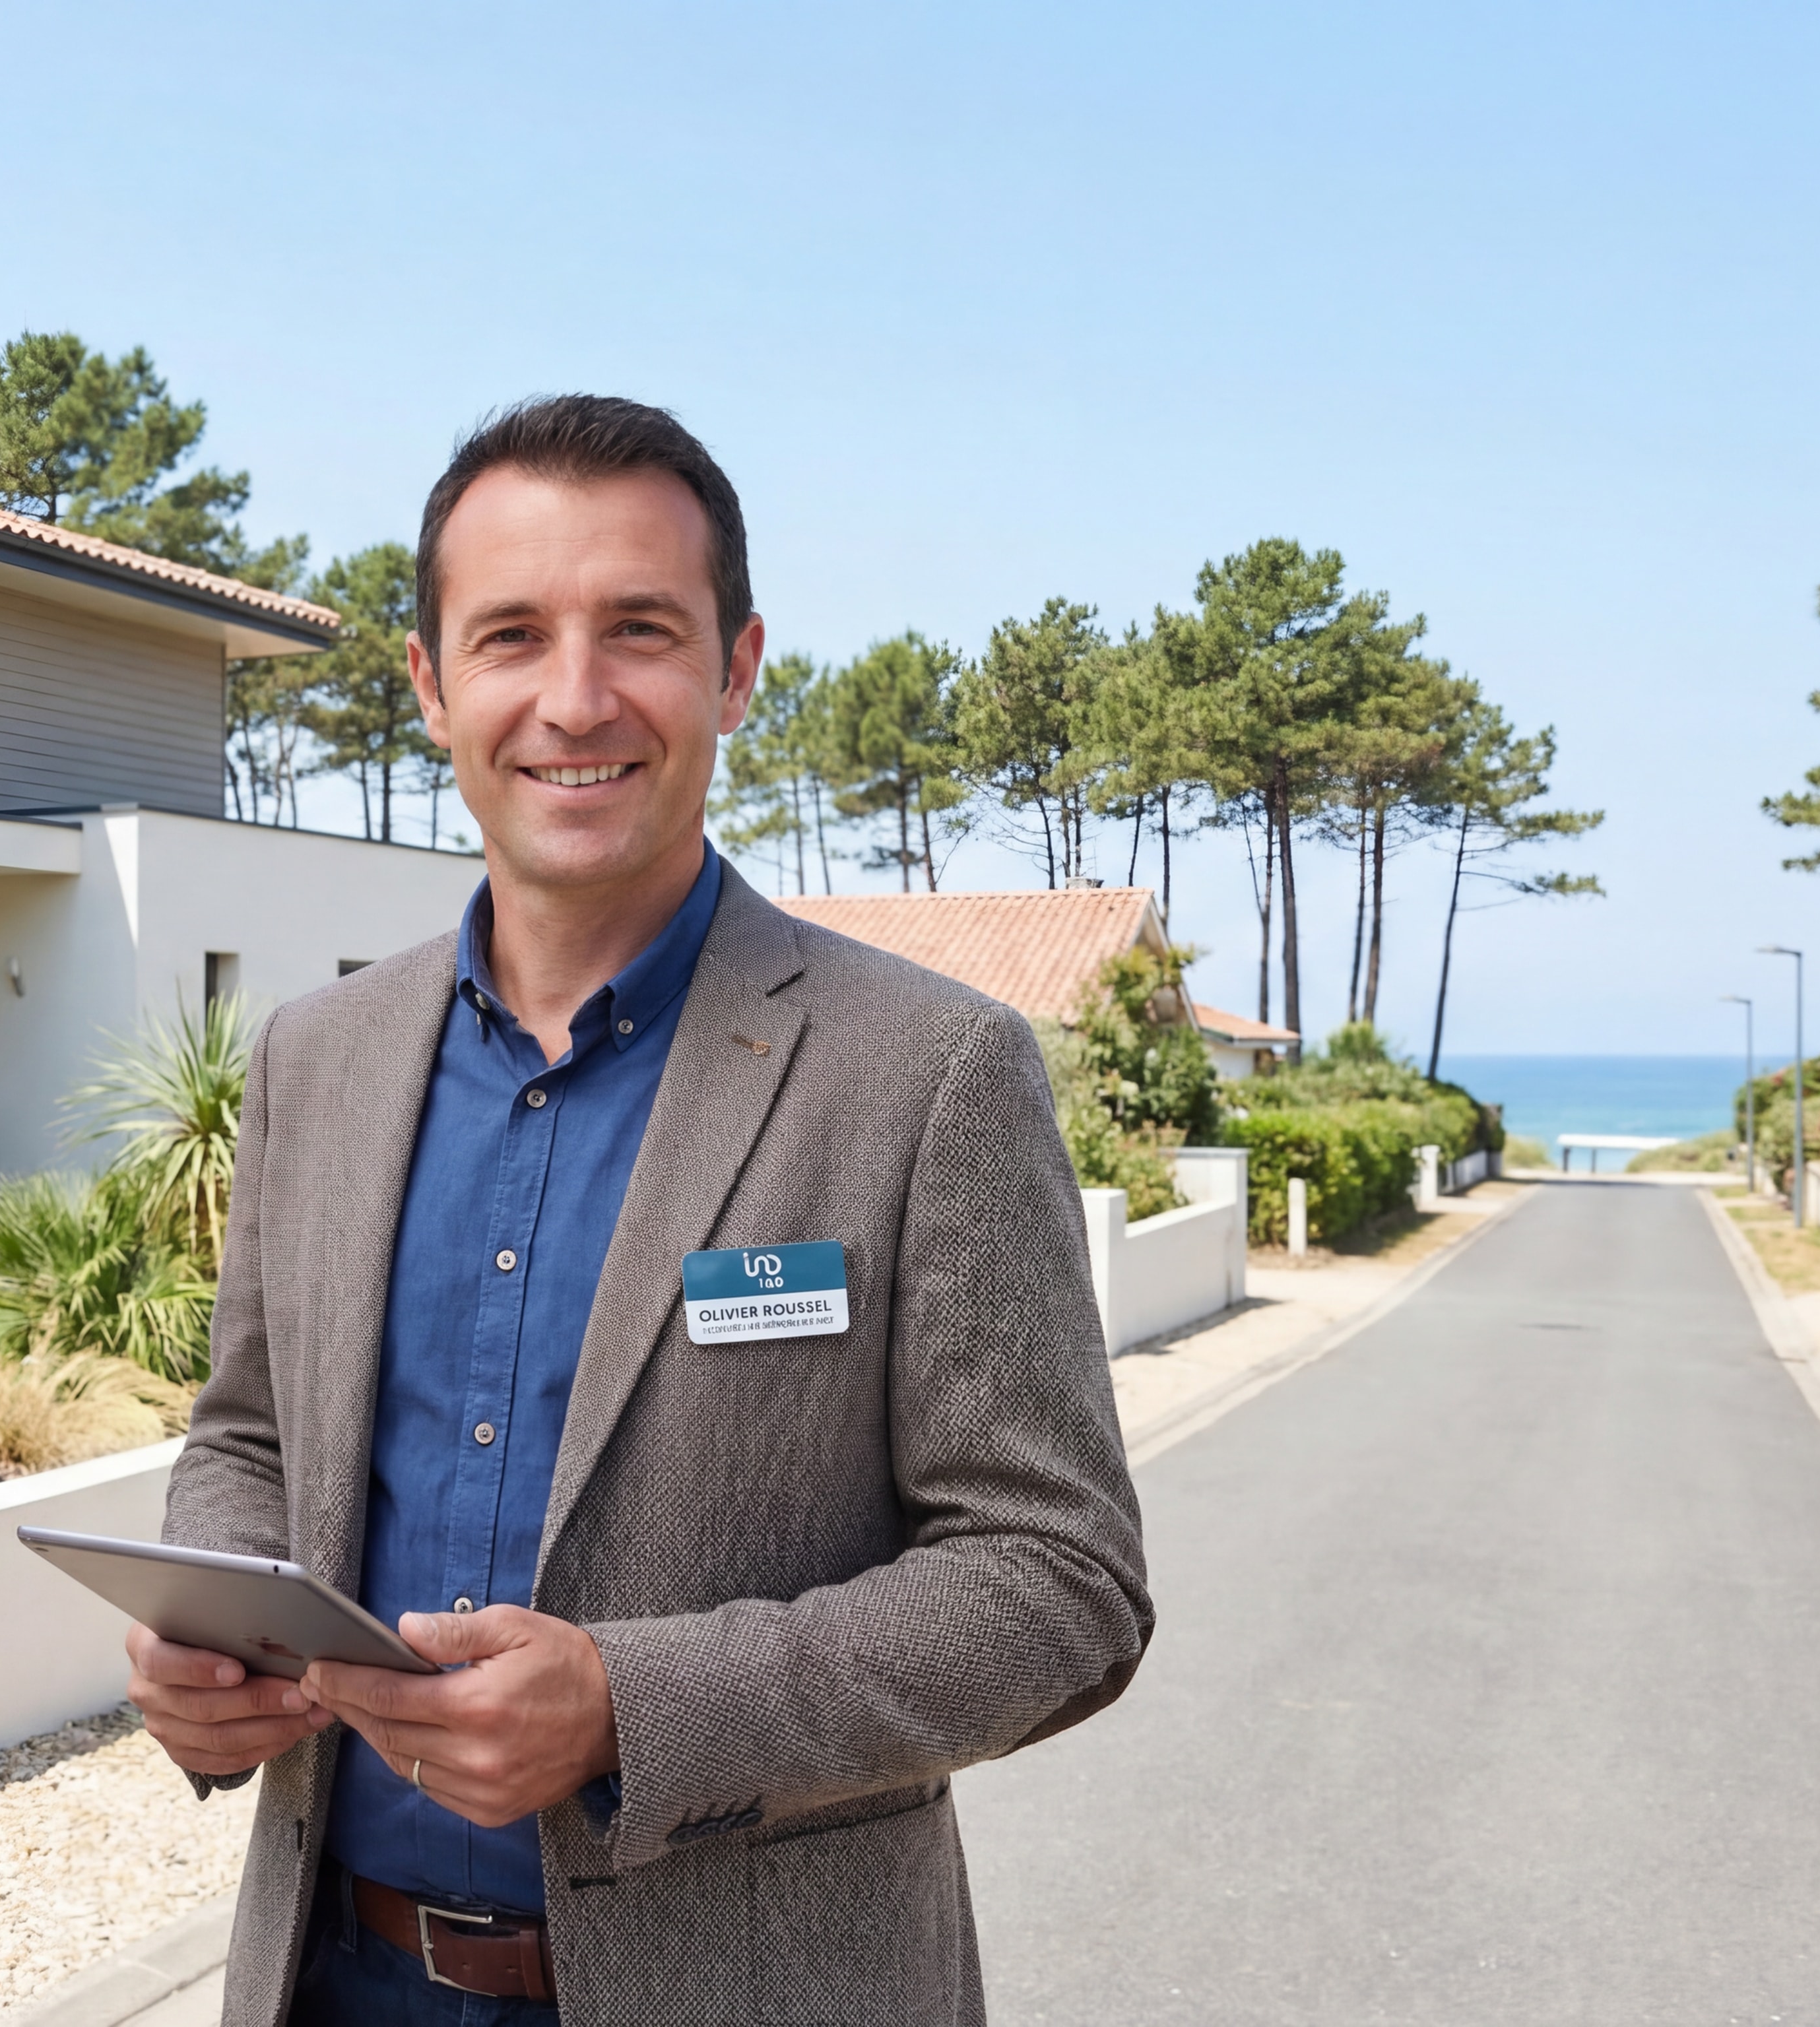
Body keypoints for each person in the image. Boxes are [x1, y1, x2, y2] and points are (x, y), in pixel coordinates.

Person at [127, 395, 1152, 2025]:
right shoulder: (314, 1061)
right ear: (430, 684)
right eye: (512, 634)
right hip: (331, 1978)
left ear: (735, 670)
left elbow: (1056, 1584)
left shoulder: (927, 1073)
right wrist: (210, 1621)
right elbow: (249, 1433)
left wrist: (632, 1706)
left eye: (640, 631)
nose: (574, 699)